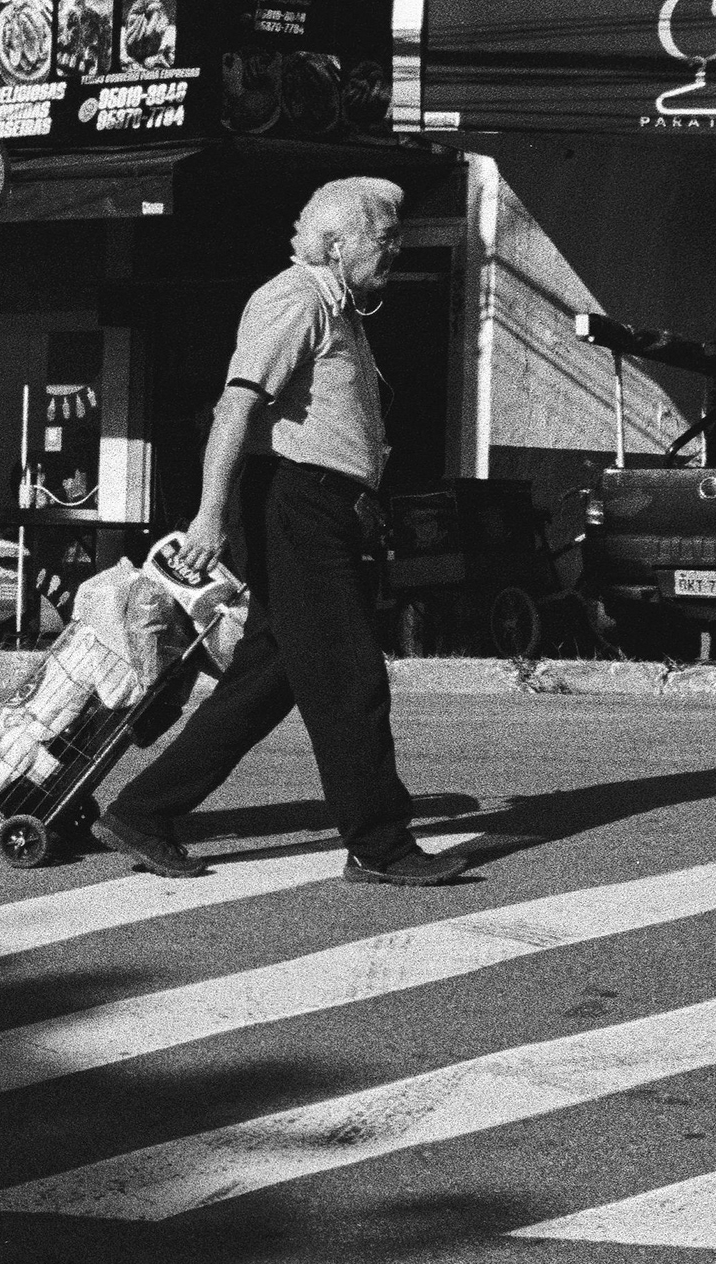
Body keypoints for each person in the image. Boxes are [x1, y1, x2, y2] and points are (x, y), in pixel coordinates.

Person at [97, 176, 465, 889]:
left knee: (268, 680)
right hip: (299, 508)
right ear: (334, 243)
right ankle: (380, 844)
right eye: (383, 237)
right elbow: (233, 410)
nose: (395, 248)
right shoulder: (294, 298)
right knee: (351, 678)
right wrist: (209, 516)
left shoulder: (338, 307)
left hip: (323, 508)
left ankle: (144, 811)